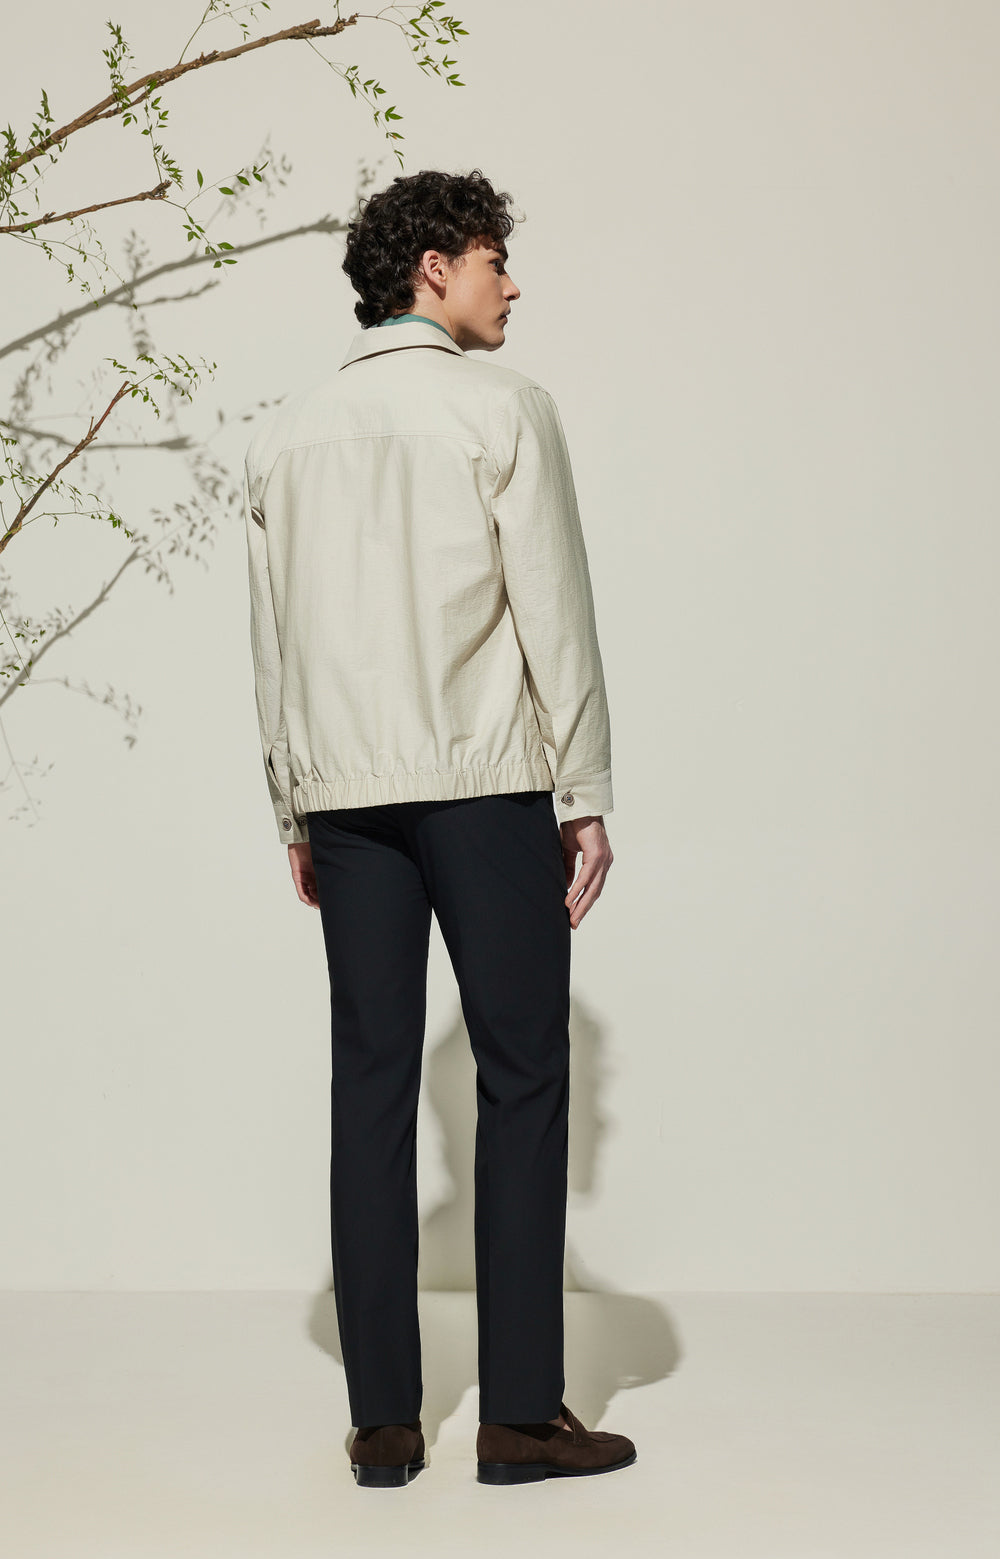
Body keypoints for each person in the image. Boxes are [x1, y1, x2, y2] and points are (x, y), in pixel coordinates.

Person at [242, 168, 635, 1487]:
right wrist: (584, 789)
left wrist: (292, 799)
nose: (511, 284)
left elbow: (271, 640)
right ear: (432, 269)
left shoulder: (289, 434)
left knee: (369, 1079)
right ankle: (519, 1416)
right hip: (482, 780)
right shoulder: (502, 408)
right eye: (492, 259)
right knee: (522, 1070)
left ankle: (383, 1424)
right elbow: (554, 606)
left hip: (344, 797)